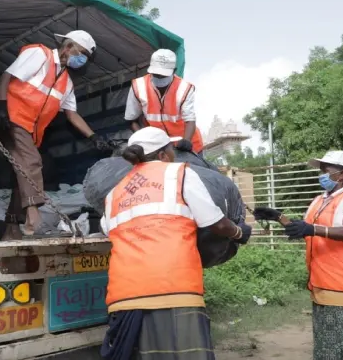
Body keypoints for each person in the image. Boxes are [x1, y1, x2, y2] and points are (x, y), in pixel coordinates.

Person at [100, 127, 252, 360]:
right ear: (162, 155)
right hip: (173, 289)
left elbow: (107, 228)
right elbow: (215, 223)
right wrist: (239, 232)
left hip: (124, 296)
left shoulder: (114, 193)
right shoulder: (178, 174)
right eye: (172, 150)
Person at [253, 151, 343, 360]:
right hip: (324, 287)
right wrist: (278, 217)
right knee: (330, 349)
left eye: (325, 170)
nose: (321, 174)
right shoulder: (319, 201)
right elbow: (306, 229)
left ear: (342, 174)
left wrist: (312, 229)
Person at [0, 30, 111, 238]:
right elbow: (8, 75)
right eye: (81, 53)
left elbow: (72, 115)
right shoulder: (40, 54)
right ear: (68, 46)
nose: (82, 60)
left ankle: (11, 229)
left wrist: (94, 137)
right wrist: (1, 105)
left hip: (29, 130)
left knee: (24, 172)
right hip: (9, 118)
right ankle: (33, 211)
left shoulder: (67, 83)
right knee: (32, 162)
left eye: (86, 58)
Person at [124, 49, 204, 155]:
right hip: (159, 147)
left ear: (174, 70)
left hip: (187, 145)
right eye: (156, 74)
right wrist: (143, 140)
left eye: (163, 75)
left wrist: (186, 141)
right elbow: (131, 119)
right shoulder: (138, 87)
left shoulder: (184, 88)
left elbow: (190, 120)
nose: (159, 78)